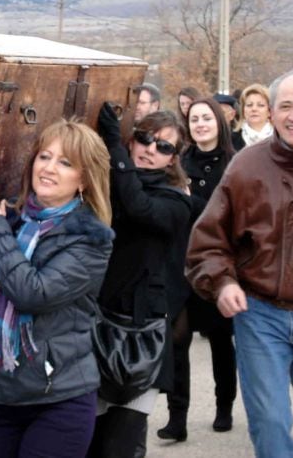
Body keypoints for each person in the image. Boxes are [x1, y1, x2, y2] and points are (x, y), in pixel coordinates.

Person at [187, 70, 293, 458]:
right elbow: (208, 241)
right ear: (270, 112)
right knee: (270, 427)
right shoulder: (245, 166)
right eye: (285, 106)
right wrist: (222, 283)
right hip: (260, 314)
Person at [0, 119, 114, 457]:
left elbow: (32, 294)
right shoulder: (9, 220)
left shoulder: (90, 238)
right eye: (44, 156)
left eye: (65, 163)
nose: (49, 168)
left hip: (57, 399)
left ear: (84, 178)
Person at [87, 107, 192, 458]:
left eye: (164, 147)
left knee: (122, 443)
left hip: (141, 333)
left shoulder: (176, 200)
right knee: (91, 441)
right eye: (145, 138)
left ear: (173, 159)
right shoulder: (104, 184)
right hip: (94, 323)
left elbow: (138, 207)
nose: (150, 149)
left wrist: (116, 146)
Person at [157, 97, 238, 442]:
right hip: (180, 263)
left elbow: (231, 216)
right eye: (194, 119)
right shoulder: (178, 161)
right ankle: (178, 418)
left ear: (219, 121)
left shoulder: (236, 163)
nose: (200, 124)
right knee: (178, 341)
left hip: (218, 264)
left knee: (221, 339)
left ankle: (224, 406)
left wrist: (190, 199)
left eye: (206, 118)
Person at [233, 83, 272, 149]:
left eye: (260, 105)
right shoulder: (231, 140)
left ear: (269, 111)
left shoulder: (282, 138)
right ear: (243, 110)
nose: (254, 109)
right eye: (249, 105)